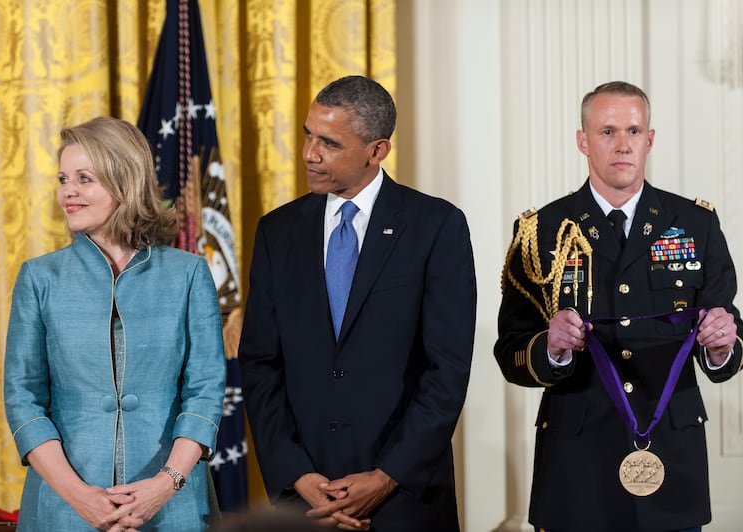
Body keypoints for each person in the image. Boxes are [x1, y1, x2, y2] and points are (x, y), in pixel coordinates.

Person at [495, 81, 743, 532]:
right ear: (582, 140)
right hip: (577, 465)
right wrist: (551, 348)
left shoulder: (695, 224)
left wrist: (722, 345)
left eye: (633, 131)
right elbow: (510, 351)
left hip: (672, 454)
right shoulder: (542, 230)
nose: (623, 145)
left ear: (650, 139)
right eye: (607, 132)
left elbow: (727, 330)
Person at [238, 75, 477, 531]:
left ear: (377, 150)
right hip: (306, 504)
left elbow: (446, 372)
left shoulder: (436, 226)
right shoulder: (277, 231)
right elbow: (260, 364)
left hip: (405, 502)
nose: (310, 153)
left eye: (329, 142)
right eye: (308, 135)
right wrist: (300, 477)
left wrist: (386, 478)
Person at [3, 116, 226, 531]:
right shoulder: (39, 277)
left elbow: (205, 390)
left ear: (125, 182)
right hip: (63, 509)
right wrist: (80, 498)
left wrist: (165, 484)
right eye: (63, 178)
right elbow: (23, 401)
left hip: (172, 506)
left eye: (84, 178)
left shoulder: (189, 273)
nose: (67, 191)